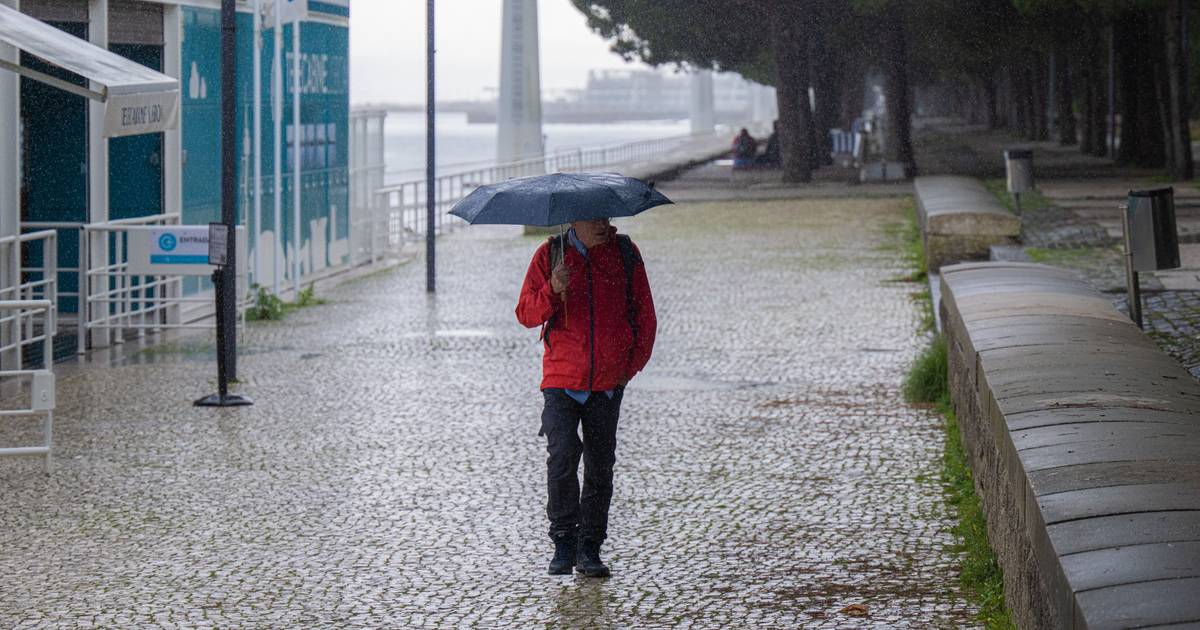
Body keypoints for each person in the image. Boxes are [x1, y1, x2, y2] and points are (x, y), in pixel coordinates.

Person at [515, 217, 657, 578]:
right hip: (562, 378)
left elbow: (645, 316)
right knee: (561, 456)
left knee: (599, 466)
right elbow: (526, 314)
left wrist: (629, 368)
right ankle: (563, 539)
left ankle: (590, 547)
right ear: (573, 220)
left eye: (605, 216)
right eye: (592, 218)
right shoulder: (550, 255)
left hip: (608, 382)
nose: (602, 224)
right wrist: (552, 288)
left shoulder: (625, 253)